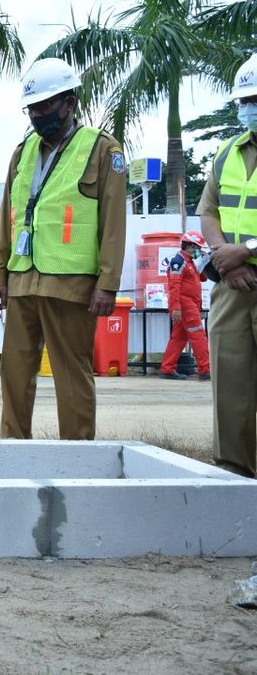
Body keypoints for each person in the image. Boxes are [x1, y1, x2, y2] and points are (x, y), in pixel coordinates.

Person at [0, 58, 127, 441]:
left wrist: (108, 283)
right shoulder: (23, 151)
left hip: (71, 284)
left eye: (45, 106)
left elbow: (114, 222)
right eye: (32, 108)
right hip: (22, 281)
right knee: (14, 373)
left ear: (70, 103)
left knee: (71, 374)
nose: (37, 115)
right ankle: (12, 451)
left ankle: (78, 456)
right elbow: (9, 216)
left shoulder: (101, 149)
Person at [199, 52, 257, 477]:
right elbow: (209, 213)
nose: (248, 108)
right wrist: (226, 258)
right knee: (230, 386)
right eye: (245, 101)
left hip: (246, 264)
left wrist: (247, 251)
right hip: (233, 286)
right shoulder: (226, 153)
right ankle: (233, 475)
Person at [158, 231, 210, 381]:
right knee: (199, 336)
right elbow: (174, 286)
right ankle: (206, 370)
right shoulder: (178, 261)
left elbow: (203, 279)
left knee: (179, 338)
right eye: (197, 248)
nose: (199, 250)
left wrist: (203, 261)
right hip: (185, 305)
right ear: (189, 246)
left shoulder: (189, 261)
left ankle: (167, 369)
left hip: (190, 305)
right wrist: (175, 308)